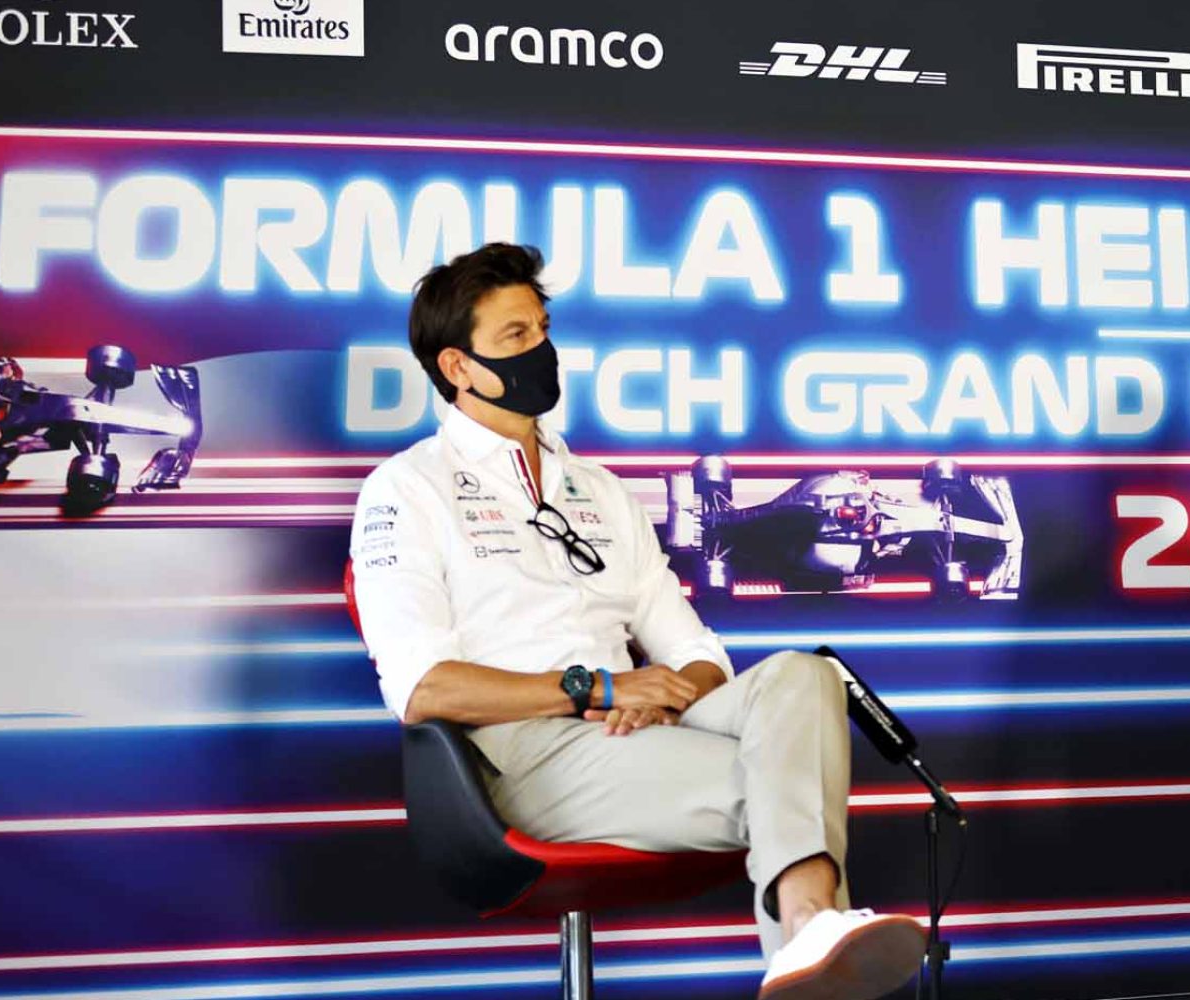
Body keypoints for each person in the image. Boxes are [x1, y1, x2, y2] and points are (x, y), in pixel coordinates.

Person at [348, 243, 924, 1000]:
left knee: (804, 674)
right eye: (515, 337)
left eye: (543, 328)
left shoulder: (601, 489)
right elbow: (424, 689)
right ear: (457, 367)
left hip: (643, 726)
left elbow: (696, 650)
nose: (541, 350)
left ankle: (806, 940)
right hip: (523, 760)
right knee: (785, 784)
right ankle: (807, 929)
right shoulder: (405, 489)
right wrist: (600, 689)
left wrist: (662, 693)